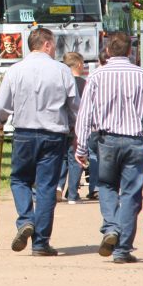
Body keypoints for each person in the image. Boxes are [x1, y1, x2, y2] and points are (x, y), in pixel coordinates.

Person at [75, 32, 143, 264]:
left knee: (106, 185)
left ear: (109, 51)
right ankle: (122, 249)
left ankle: (111, 227)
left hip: (107, 141)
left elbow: (85, 115)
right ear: (130, 51)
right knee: (132, 193)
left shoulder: (96, 76)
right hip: (136, 142)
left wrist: (81, 147)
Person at [0, 27, 79, 256]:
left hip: (24, 133)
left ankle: (25, 220)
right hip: (54, 134)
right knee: (46, 187)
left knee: (19, 179)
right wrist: (75, 129)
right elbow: (74, 106)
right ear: (47, 44)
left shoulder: (15, 70)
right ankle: (40, 243)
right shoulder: (62, 71)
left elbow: (1, 106)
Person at [57, 52, 87, 204]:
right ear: (79, 65)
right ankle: (73, 194)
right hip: (77, 125)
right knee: (75, 159)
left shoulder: (60, 81)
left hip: (61, 124)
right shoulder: (83, 83)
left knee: (62, 158)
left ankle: (58, 187)